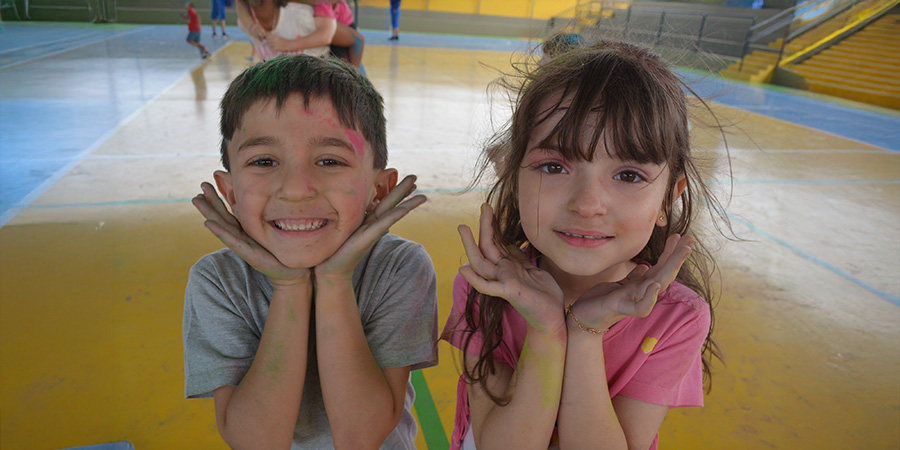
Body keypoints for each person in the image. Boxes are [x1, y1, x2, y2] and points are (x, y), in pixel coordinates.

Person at [441, 40, 728, 450]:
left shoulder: (676, 317)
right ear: (514, 178)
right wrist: (546, 330)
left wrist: (584, 333)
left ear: (668, 198)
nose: (587, 204)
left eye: (628, 175)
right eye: (553, 166)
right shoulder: (487, 288)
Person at [184, 55, 439, 449]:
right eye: (264, 161)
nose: (296, 189)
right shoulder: (219, 281)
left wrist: (334, 281)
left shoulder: (398, 267)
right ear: (230, 191)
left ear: (379, 190)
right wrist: (290, 287)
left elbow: (360, 438)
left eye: (330, 161)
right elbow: (256, 443)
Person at [234, 0, 330, 61]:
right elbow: (240, 7)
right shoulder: (245, 23)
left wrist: (287, 44)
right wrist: (251, 26)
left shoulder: (302, 13)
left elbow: (326, 36)